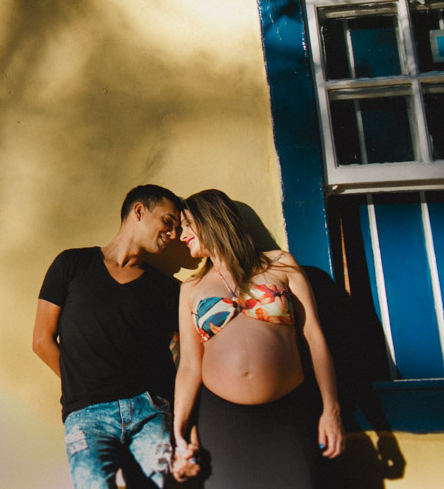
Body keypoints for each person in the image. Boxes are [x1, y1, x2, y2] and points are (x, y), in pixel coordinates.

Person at [171, 189, 344, 487]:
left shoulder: (280, 264)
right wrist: (179, 429)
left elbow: (313, 337)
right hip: (222, 422)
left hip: (287, 413)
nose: (180, 234)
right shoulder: (191, 288)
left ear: (211, 220)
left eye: (186, 223)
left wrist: (331, 410)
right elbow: (188, 364)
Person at [33, 184, 186, 488]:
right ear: (139, 211)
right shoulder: (72, 265)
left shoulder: (167, 289)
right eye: (168, 221)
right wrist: (83, 385)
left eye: (178, 228)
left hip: (149, 412)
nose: (174, 234)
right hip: (87, 414)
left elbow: (182, 351)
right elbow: (41, 340)